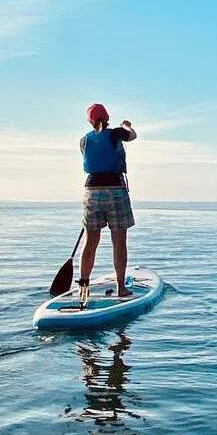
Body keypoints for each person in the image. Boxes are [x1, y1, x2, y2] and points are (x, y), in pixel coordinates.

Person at [78, 103, 137, 298]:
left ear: (90, 121)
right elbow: (133, 135)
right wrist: (126, 125)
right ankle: (121, 288)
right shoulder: (116, 133)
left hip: (91, 191)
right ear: (107, 117)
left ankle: (83, 288)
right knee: (118, 241)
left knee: (90, 242)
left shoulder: (83, 141)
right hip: (115, 190)